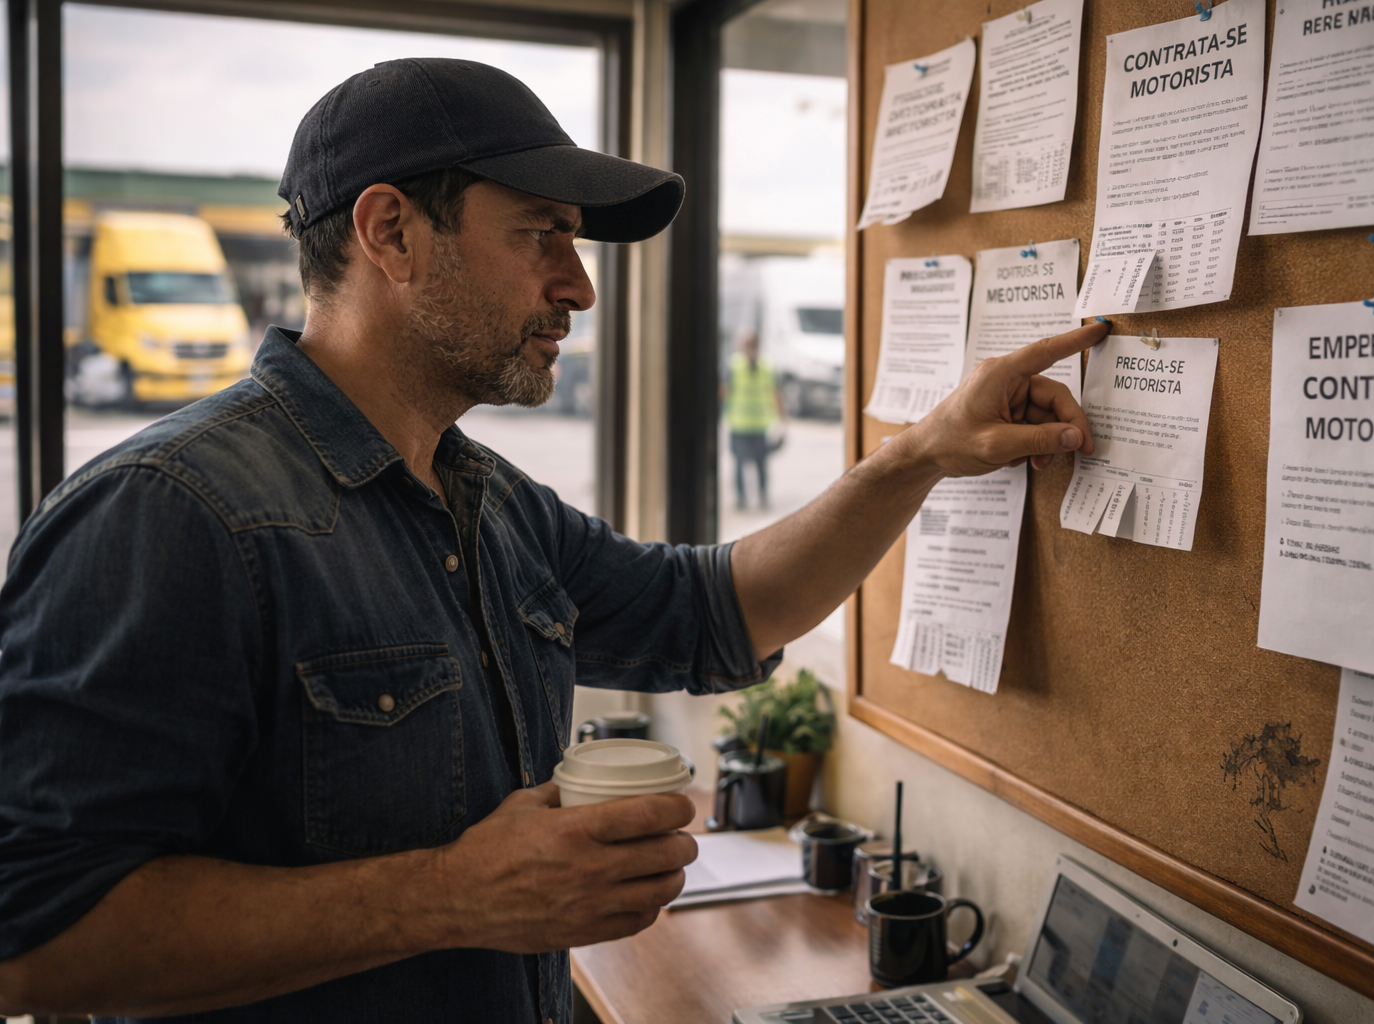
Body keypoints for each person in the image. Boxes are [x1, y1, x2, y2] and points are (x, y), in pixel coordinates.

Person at [0, 59, 1105, 1023]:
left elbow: (716, 610)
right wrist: (453, 892)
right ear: (391, 231)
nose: (577, 287)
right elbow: (31, 936)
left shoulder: (489, 500)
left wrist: (921, 454)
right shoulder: (168, 513)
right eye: (542, 235)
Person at [722, 328, 786, 511]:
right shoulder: (767, 364)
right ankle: (758, 497)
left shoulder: (733, 364)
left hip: (742, 422)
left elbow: (723, 391)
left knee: (744, 463)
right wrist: (782, 419)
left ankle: (745, 499)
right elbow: (776, 394)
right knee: (758, 463)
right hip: (756, 423)